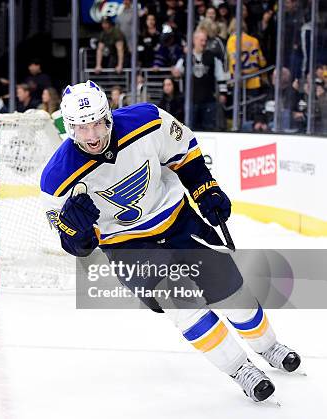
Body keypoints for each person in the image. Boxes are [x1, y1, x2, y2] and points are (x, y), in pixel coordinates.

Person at [40, 80, 301, 402]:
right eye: (81, 128)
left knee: (232, 290)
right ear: (69, 128)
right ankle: (240, 369)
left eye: (96, 123)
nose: (92, 136)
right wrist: (78, 235)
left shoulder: (147, 121)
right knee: (182, 304)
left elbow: (186, 156)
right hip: (127, 246)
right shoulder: (56, 178)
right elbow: (75, 245)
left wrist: (206, 188)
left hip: (177, 220)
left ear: (108, 115)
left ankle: (269, 346)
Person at [172, 29, 227, 131]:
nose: (204, 43)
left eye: (205, 40)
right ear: (194, 40)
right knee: (190, 130)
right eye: (201, 40)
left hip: (208, 100)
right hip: (191, 100)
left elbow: (220, 76)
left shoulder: (212, 57)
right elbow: (177, 71)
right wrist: (176, 73)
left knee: (209, 129)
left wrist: (223, 93)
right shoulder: (186, 58)